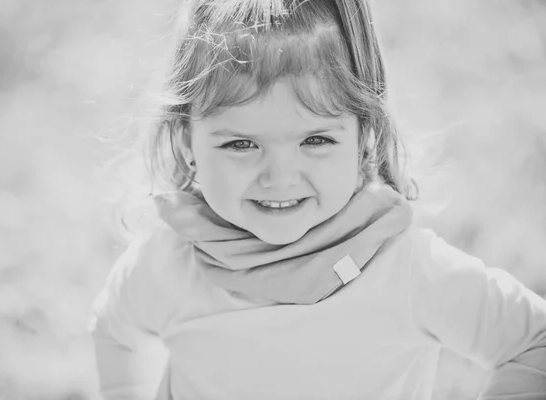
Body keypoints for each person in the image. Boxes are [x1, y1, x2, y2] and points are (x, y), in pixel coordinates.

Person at [89, 0, 546, 399]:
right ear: (187, 141)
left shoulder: (407, 270)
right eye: (241, 145)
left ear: (365, 135)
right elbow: (116, 329)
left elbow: (534, 341)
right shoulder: (166, 263)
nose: (280, 177)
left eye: (316, 140)